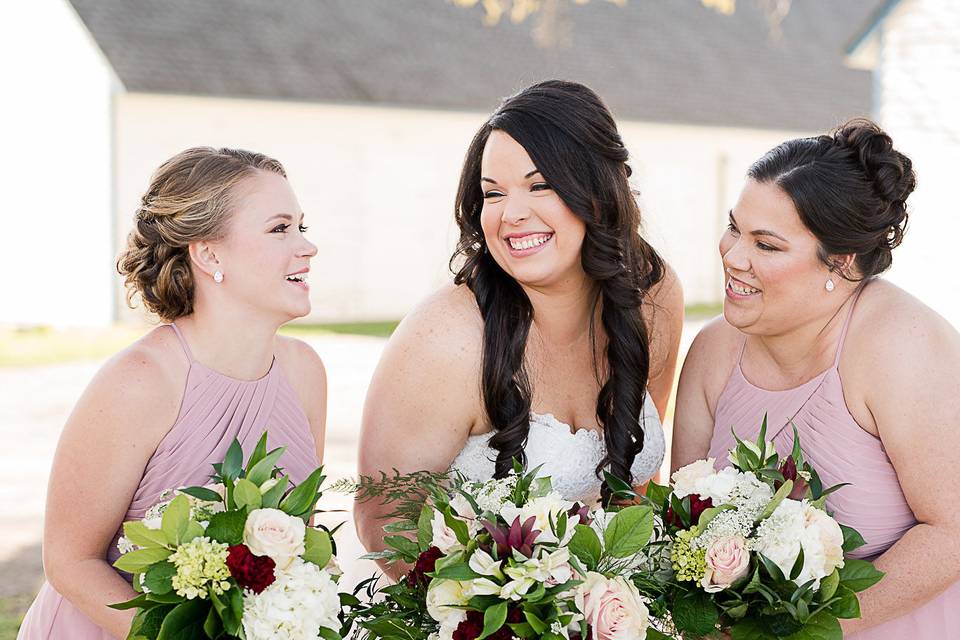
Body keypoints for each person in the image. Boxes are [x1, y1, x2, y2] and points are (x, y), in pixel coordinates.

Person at [355, 80, 684, 580]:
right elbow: (385, 529)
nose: (511, 214)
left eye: (539, 185)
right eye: (493, 193)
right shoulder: (448, 338)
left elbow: (637, 485)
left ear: (596, 193)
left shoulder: (652, 298)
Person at [17, 147, 328, 639]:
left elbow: (296, 542)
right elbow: (71, 560)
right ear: (208, 253)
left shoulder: (305, 372)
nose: (307, 248)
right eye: (279, 228)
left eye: (301, 227)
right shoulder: (141, 381)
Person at [672, 119, 960, 637]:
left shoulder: (902, 345)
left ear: (842, 262)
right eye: (735, 228)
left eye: (767, 245)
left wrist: (805, 633)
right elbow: (684, 528)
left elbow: (953, 532)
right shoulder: (713, 352)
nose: (733, 256)